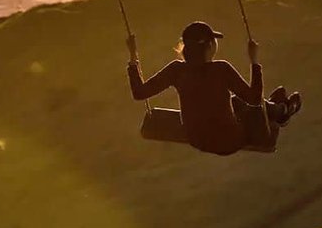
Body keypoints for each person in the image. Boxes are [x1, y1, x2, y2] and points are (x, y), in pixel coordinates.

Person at [126, 21, 302, 156]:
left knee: (236, 101)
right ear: (210, 46)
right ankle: (281, 110)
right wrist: (254, 61)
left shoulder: (176, 70)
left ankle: (277, 108)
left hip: (198, 140)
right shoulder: (221, 69)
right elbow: (254, 99)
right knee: (250, 107)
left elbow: (139, 93)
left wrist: (133, 56)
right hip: (229, 141)